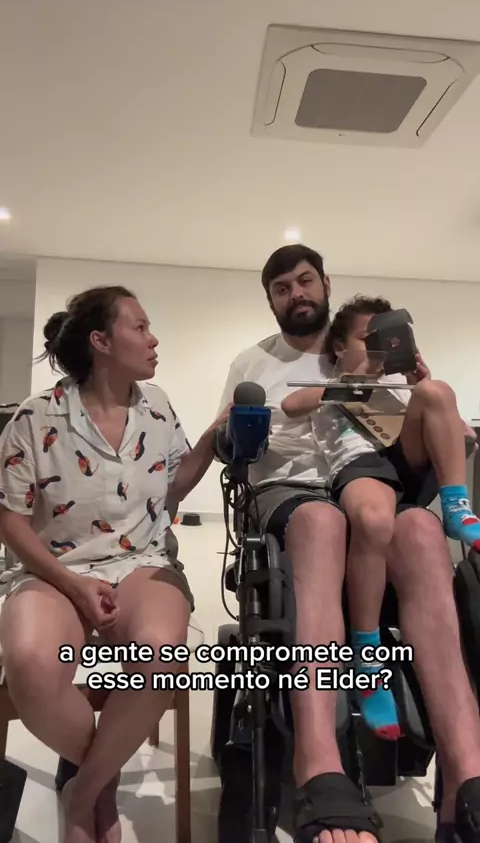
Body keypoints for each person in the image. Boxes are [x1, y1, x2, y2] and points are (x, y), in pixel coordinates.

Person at [217, 244, 480, 843]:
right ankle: (318, 763)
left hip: (373, 486)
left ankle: (467, 774)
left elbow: (433, 434)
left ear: (325, 284)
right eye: (282, 287)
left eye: (305, 281)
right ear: (271, 300)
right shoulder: (254, 361)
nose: (296, 293)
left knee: (420, 531)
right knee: (322, 523)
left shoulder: (375, 356)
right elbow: (224, 432)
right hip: (291, 492)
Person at [0, 285, 229, 843]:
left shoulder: (157, 406)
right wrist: (72, 584)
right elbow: (10, 520)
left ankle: (82, 792)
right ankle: (101, 783)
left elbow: (173, 486)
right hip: (54, 568)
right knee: (30, 665)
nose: (153, 340)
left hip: (141, 561)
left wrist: (212, 436)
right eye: (141, 327)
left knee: (162, 657)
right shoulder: (36, 415)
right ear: (101, 341)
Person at [281, 294, 480, 742]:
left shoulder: (400, 391)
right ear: (340, 347)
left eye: (384, 340)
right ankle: (367, 657)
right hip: (361, 466)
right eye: (366, 340)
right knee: (373, 522)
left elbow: (465, 439)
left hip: (408, 464)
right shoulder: (333, 385)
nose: (378, 349)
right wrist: (351, 381)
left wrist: (421, 385)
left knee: (437, 391)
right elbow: (292, 405)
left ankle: (457, 507)